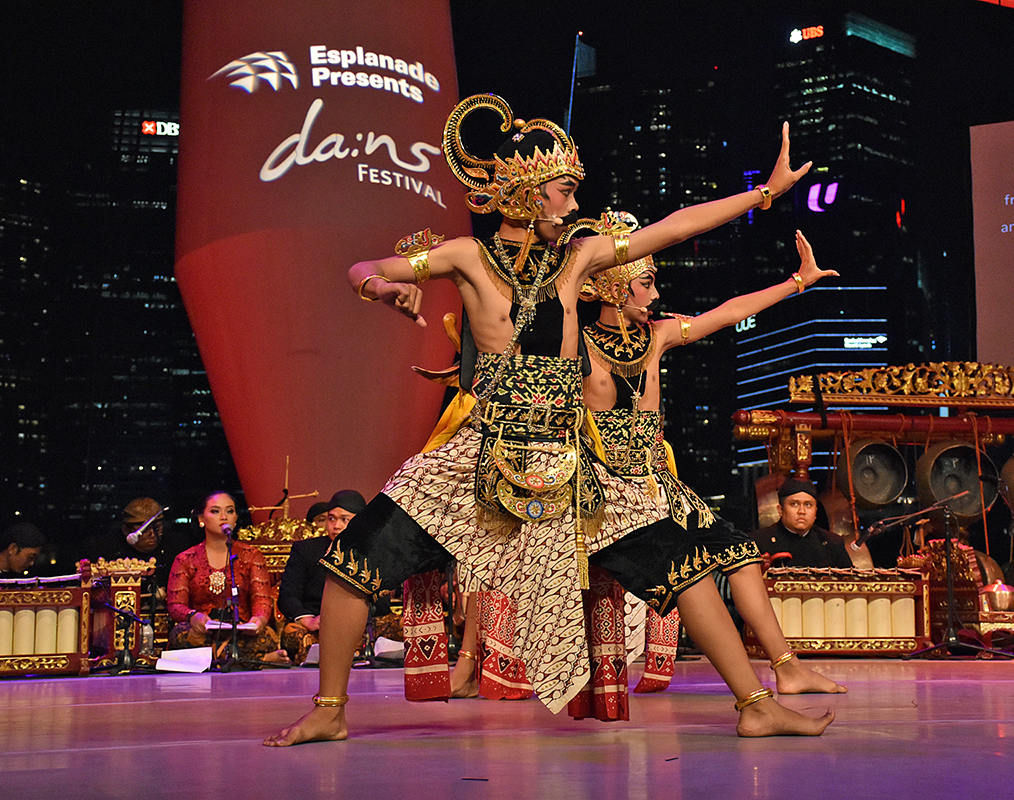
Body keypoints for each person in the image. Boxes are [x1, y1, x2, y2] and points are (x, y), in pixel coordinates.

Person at [266, 94, 831, 746]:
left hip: (569, 456)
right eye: (565, 191)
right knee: (352, 564)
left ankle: (756, 704)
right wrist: (384, 287)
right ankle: (330, 708)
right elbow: (362, 267)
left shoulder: (578, 257)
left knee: (687, 565)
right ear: (530, 195)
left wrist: (764, 193)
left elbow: (673, 228)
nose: (573, 204)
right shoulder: (467, 256)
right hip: (480, 452)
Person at [578, 227, 844, 707]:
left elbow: (728, 313)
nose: (655, 295)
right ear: (615, 285)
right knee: (690, 568)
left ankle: (788, 667)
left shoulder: (656, 336)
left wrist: (797, 282)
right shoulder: (573, 344)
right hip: (606, 492)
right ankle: (753, 697)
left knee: (741, 552)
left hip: (657, 484)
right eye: (646, 283)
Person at [165, 491, 287, 663]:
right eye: (215, 511)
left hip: (240, 630)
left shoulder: (251, 555)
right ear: (201, 519)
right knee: (181, 635)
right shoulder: (185, 559)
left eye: (229, 511)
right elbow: (175, 605)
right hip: (203, 631)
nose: (224, 517)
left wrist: (258, 620)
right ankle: (255, 660)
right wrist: (193, 616)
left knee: (266, 636)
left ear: (235, 519)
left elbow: (262, 600)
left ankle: (216, 659)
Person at [279, 490, 391, 664]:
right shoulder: (306, 550)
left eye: (345, 519)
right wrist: (308, 620)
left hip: (361, 627)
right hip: (318, 627)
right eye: (331, 519)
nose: (336, 526)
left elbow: (382, 605)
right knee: (294, 633)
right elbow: (288, 596)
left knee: (400, 627)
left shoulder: (373, 553)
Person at [752, 479, 854, 569]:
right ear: (780, 510)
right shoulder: (759, 541)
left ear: (815, 511)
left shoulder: (832, 543)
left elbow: (850, 580)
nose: (802, 511)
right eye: (794, 504)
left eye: (808, 505)